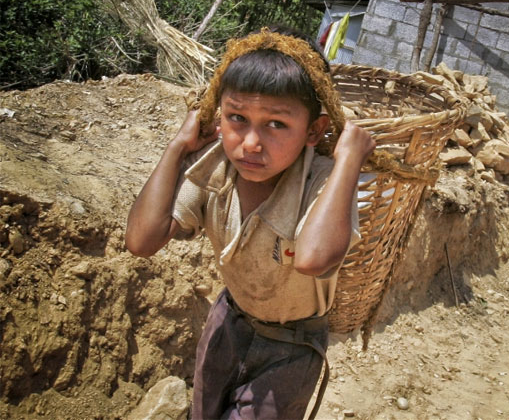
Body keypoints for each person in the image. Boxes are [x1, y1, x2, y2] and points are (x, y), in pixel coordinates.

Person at [125, 28, 376, 420]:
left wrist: (348, 160)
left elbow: (312, 259)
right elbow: (141, 240)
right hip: (228, 321)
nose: (251, 143)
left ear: (314, 130)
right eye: (237, 118)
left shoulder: (325, 185)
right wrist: (177, 147)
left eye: (276, 124)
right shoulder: (216, 171)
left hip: (292, 348)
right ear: (217, 117)